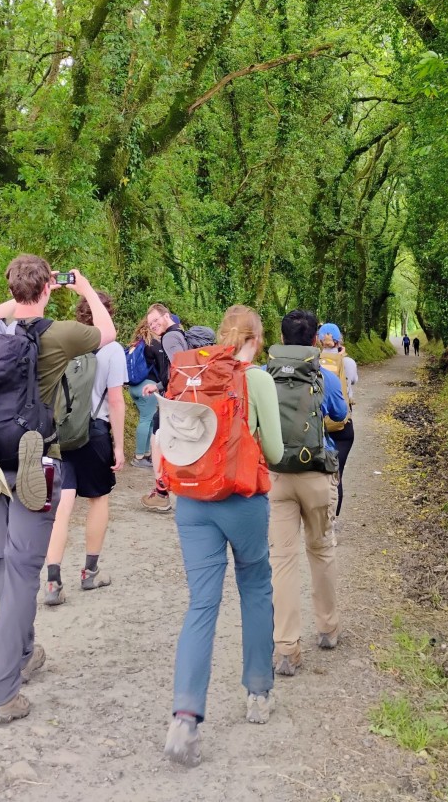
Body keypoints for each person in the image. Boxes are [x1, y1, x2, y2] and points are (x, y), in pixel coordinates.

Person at [0, 255, 116, 724]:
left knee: (8, 562)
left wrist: (25, 294)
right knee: (25, 572)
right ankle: (0, 692)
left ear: (11, 288)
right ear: (48, 287)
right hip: (32, 465)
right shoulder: (59, 333)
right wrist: (81, 288)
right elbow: (106, 334)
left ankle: (23, 652)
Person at [163, 306, 284, 768]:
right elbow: (272, 450)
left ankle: (185, 717)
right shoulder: (256, 379)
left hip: (192, 501)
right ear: (255, 338)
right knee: (255, 586)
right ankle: (257, 692)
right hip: (241, 499)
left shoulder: (193, 372)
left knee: (201, 603)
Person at [267, 309, 347, 676]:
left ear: (281, 340)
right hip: (316, 475)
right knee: (321, 550)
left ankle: (286, 649)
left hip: (277, 476)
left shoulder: (264, 378)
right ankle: (328, 629)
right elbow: (341, 414)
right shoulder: (324, 377)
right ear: (316, 340)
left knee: (282, 561)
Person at [42, 291, 126, 606]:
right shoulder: (113, 349)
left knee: (62, 504)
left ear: (80, 316)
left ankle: (52, 583)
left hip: (62, 434)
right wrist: (119, 446)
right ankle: (90, 572)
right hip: (94, 433)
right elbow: (115, 400)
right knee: (98, 499)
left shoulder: (66, 345)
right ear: (109, 314)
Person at [140, 304, 188, 513]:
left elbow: (178, 370)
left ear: (166, 316)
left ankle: (161, 493)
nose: (153, 325)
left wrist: (164, 388)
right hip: (183, 397)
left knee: (157, 440)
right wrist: (158, 386)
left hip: (175, 399)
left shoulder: (169, 337)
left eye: (156, 320)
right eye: (150, 324)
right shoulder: (180, 334)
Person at [317, 323, 359, 513]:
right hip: (342, 426)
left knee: (316, 475)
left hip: (317, 425)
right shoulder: (347, 362)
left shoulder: (312, 360)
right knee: (336, 473)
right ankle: (332, 523)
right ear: (338, 339)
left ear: (318, 339)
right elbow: (353, 381)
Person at [127, 316, 159, 468]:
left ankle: (145, 454)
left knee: (148, 419)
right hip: (147, 386)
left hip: (133, 387)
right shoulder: (152, 344)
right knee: (147, 419)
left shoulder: (136, 343)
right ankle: (139, 457)